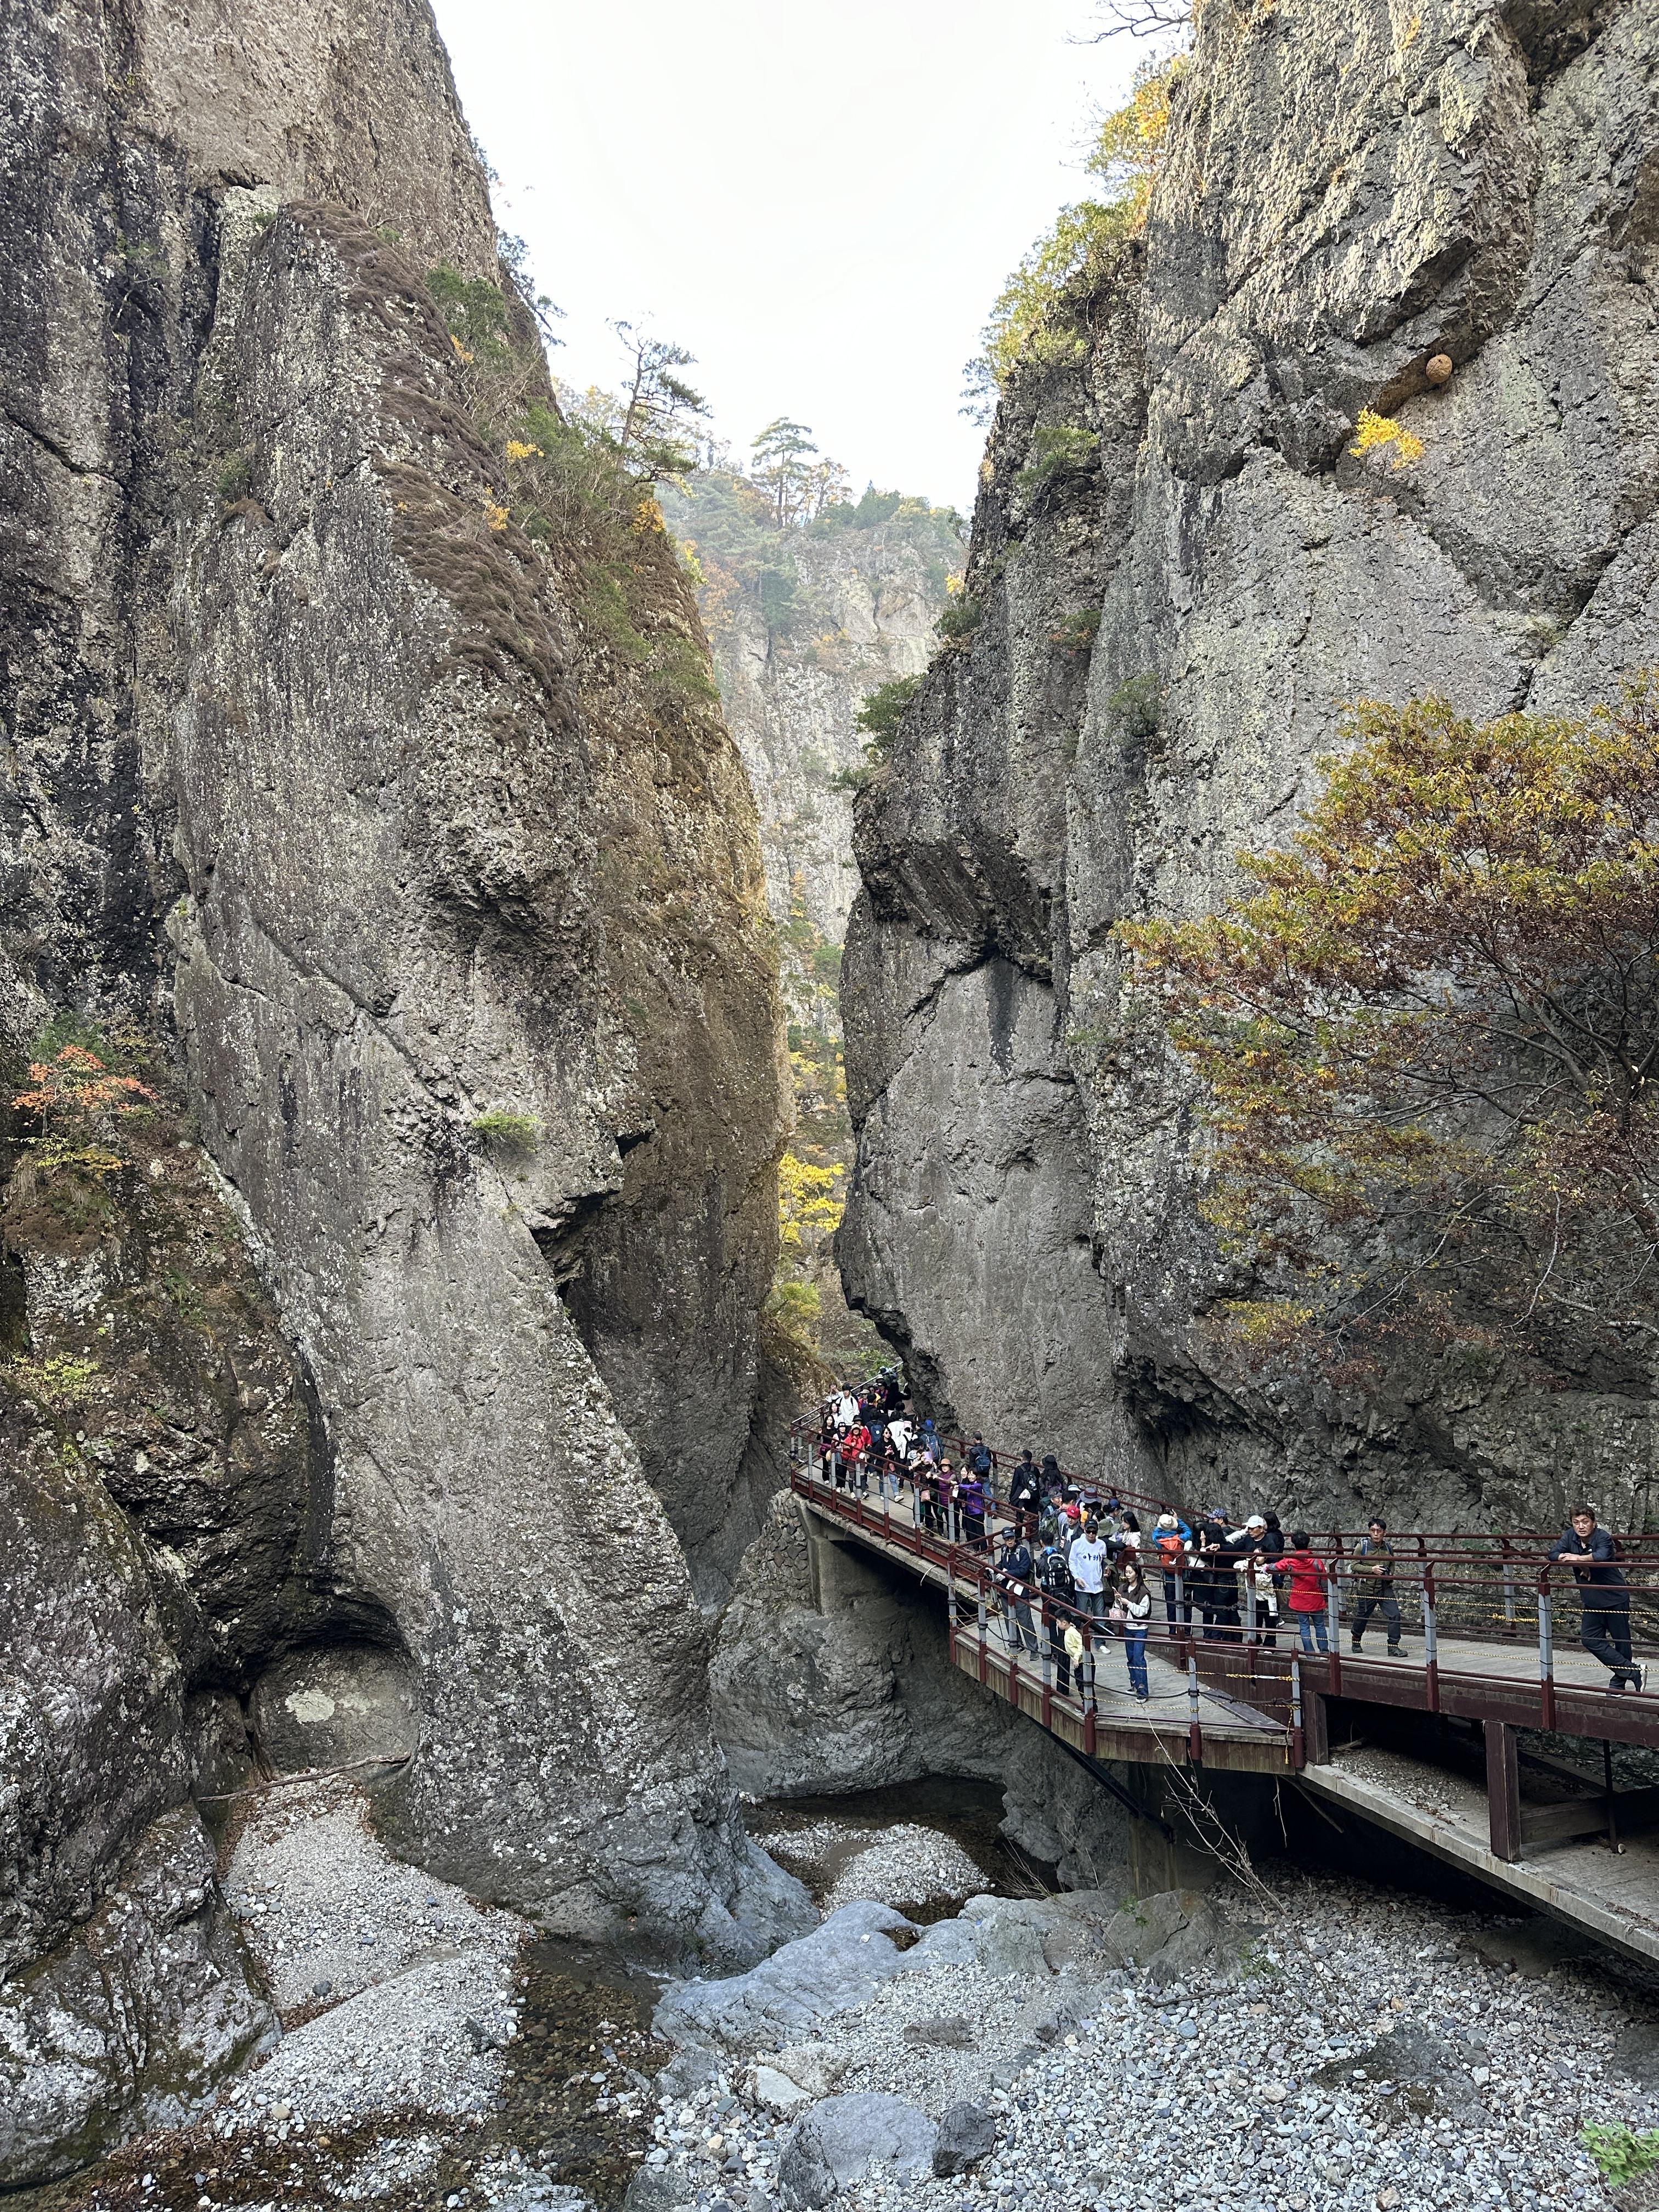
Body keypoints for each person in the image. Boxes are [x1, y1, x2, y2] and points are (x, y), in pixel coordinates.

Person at [1549, 1507, 1646, 1692]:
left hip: (1614, 1596)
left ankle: (1619, 1684)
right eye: (1576, 1522)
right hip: (1592, 1600)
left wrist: (1578, 1559)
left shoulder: (1602, 1537)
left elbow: (1602, 1556)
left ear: (1593, 1523)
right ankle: (1633, 1672)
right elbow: (1553, 1554)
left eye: (1585, 1522)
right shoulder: (1570, 1536)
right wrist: (1573, 1560)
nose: (1581, 1526)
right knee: (1590, 1639)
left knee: (1622, 1642)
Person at [1351, 1517, 1406, 1657]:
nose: (1376, 1534)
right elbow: (1354, 1565)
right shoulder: (1362, 1547)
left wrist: (1390, 1574)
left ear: (1384, 1533)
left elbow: (1392, 1564)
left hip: (1384, 1588)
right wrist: (1372, 1569)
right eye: (1373, 1531)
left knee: (1395, 1614)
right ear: (1369, 1532)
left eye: (1379, 1531)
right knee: (1363, 1617)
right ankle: (1356, 1640)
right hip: (1366, 1588)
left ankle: (1393, 1647)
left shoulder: (1388, 1548)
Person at [1038, 1539, 1077, 1695]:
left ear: (1042, 1544)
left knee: (1052, 1623)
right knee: (1063, 1623)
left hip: (1051, 1596)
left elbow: (1039, 1574)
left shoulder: (1043, 1559)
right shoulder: (1061, 1557)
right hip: (1065, 1595)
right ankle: (1064, 1650)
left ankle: (1055, 1652)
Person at [1284, 1531, 1332, 1653]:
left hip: (1299, 1599)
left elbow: (1277, 1566)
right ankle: (1324, 1652)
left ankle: (1310, 1654)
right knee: (1320, 1625)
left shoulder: (1291, 1561)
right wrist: (1326, 1596)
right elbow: (1324, 1579)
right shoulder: (1316, 1561)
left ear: (1294, 1545)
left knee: (1304, 1627)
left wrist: (1266, 1568)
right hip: (1315, 1598)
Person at [997, 1524, 1039, 1657]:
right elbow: (1001, 1564)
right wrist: (994, 1569)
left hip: (1020, 1590)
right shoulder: (1004, 1550)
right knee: (1009, 1619)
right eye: (1007, 1539)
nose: (1010, 1541)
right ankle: (1017, 1644)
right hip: (1006, 1590)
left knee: (1025, 1620)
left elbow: (1024, 1570)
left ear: (1015, 1538)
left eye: (1012, 1538)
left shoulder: (1022, 1551)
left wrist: (1007, 1573)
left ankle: (1034, 1649)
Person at [1115, 1556, 1153, 1700]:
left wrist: (1128, 1603)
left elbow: (1142, 1612)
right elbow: (1119, 1607)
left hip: (1140, 1629)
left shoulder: (1144, 1592)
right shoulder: (1123, 1588)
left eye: (1130, 1572)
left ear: (1137, 1573)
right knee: (1131, 1658)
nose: (1128, 1575)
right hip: (1127, 1627)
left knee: (1139, 1659)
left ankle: (1143, 1691)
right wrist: (1119, 1601)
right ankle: (1135, 1684)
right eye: (1126, 1572)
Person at [1152, 1511, 1192, 1629]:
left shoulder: (1159, 1541)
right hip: (1183, 1576)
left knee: (1171, 1603)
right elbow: (1189, 1532)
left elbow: (1154, 1534)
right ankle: (1186, 1630)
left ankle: (1173, 1630)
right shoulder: (1181, 1538)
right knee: (1186, 1602)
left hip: (1168, 1577)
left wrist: (1161, 1525)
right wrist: (1178, 1520)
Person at [1069, 1515, 1109, 1620]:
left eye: (1094, 1531)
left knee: (1100, 1616)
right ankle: (1082, 1636)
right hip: (1082, 1584)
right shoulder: (1077, 1544)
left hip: (1098, 1584)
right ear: (1085, 1530)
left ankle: (1099, 1636)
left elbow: (1104, 1560)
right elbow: (1072, 1561)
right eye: (1089, 1531)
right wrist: (1077, 1578)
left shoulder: (1102, 1545)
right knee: (1082, 1616)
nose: (1091, 1534)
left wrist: (1107, 1568)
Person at [1063, 1622, 1096, 1712]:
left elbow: (1081, 1646)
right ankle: (1087, 1704)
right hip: (1080, 1661)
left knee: (1086, 1684)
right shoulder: (1069, 1630)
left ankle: (1092, 1707)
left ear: (1064, 1623)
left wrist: (1076, 1658)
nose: (1057, 1624)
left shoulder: (1073, 1633)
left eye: (1058, 1622)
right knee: (1081, 1684)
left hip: (1083, 1661)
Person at [1009, 1450, 1041, 1536]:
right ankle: (1035, 1538)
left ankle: (1018, 1537)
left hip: (1022, 1498)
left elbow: (1015, 1484)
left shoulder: (1019, 1470)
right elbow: (1039, 1483)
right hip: (1033, 1497)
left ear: (1022, 1458)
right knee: (1034, 1517)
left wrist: (1012, 1497)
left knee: (1019, 1518)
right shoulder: (1035, 1469)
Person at [959, 1468, 988, 1551]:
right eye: (969, 1475)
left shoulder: (978, 1485)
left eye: (972, 1475)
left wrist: (958, 1485)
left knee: (980, 1532)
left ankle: (984, 1550)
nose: (970, 1477)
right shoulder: (971, 1484)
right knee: (972, 1531)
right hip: (970, 1511)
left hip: (978, 1511)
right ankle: (975, 1548)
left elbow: (970, 1488)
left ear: (976, 1476)